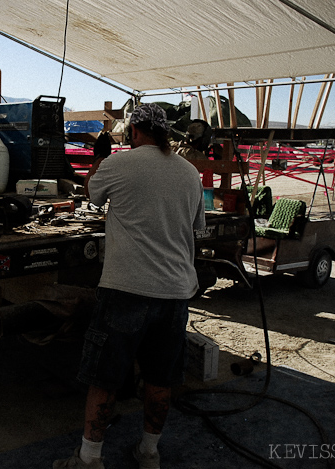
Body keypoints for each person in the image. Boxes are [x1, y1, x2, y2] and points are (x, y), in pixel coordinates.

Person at [53, 103, 206, 469]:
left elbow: (91, 194)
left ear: (135, 131)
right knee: (160, 378)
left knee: (105, 377)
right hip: (174, 293)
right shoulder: (189, 173)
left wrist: (99, 157)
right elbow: (196, 226)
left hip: (126, 289)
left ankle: (90, 459)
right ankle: (149, 453)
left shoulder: (118, 164)